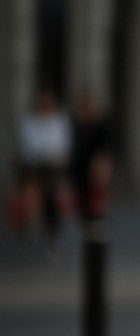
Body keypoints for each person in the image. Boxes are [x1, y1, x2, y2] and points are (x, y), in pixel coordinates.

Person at [18, 89, 72, 256]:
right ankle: (27, 232)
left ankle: (50, 237)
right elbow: (27, 148)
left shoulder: (59, 122)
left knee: (51, 202)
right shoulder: (30, 123)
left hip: (52, 170)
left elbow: (62, 147)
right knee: (29, 201)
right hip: (33, 169)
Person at [70, 92, 113, 224]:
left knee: (96, 207)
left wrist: (102, 169)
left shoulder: (102, 127)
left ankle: (96, 234)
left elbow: (106, 152)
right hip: (80, 171)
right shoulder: (77, 126)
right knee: (84, 207)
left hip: (96, 172)